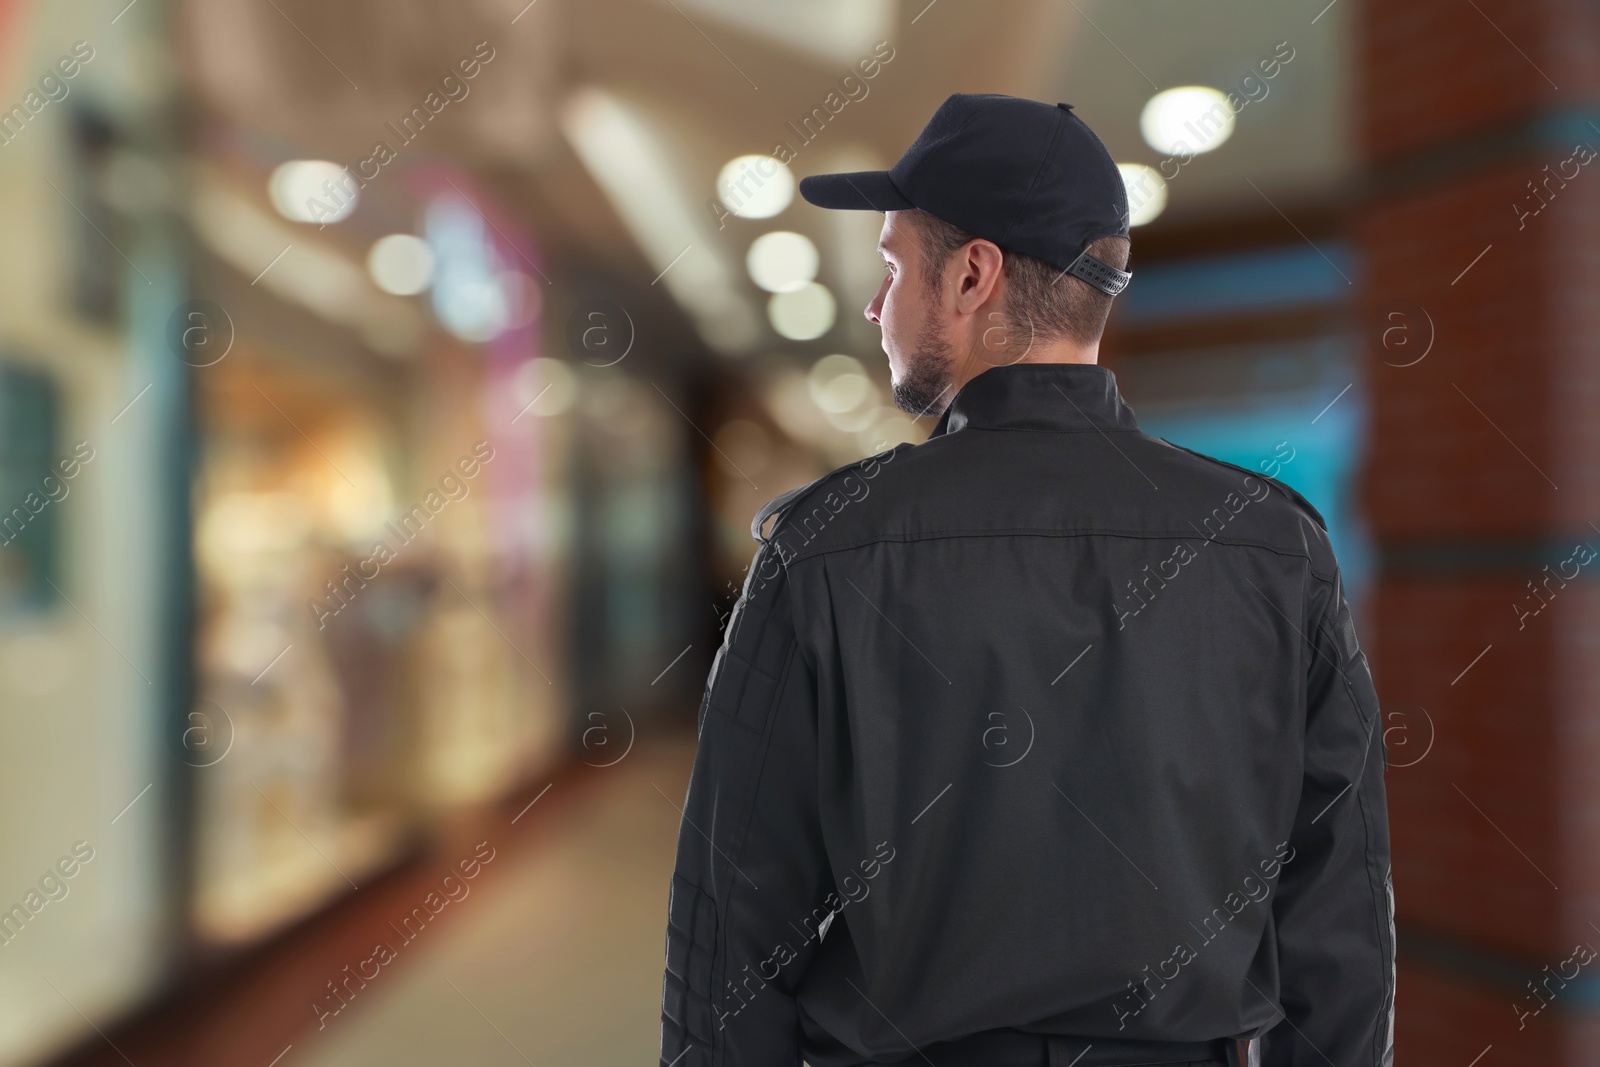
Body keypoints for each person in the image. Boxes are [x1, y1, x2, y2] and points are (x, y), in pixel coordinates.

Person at [659, 93, 1394, 1067]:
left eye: (892, 267)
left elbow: (734, 937)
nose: (877, 306)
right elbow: (1337, 919)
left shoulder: (823, 550)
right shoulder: (1272, 549)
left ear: (971, 275)